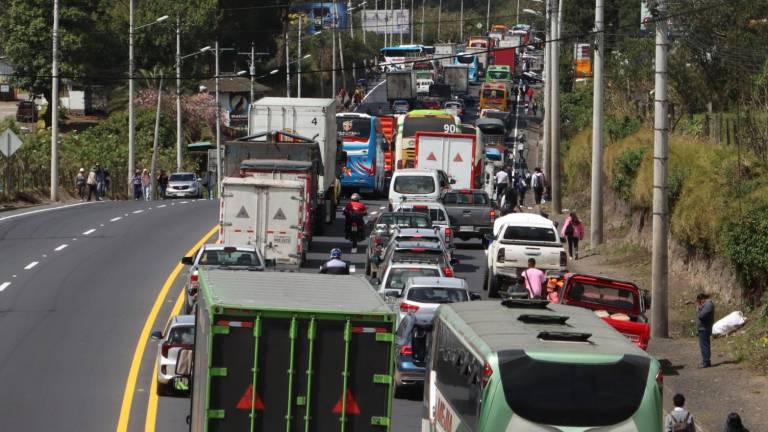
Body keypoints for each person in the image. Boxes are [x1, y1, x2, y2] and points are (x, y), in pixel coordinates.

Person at [696, 293, 715, 368]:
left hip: (704, 328)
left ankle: (706, 362)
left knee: (704, 346)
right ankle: (706, 361)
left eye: (700, 301)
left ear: (702, 299)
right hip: (704, 328)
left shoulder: (708, 305)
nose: (700, 303)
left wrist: (699, 308)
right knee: (704, 345)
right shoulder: (707, 305)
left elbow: (701, 316)